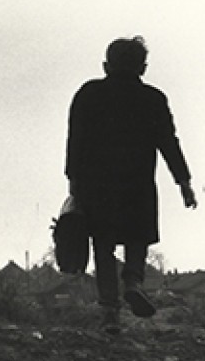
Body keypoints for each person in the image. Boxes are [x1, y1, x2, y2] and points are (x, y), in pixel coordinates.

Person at [65, 36, 198, 333]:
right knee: (137, 238)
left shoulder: (88, 94)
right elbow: (168, 143)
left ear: (106, 65)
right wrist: (184, 182)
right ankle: (133, 281)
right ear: (143, 68)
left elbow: (75, 141)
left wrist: (73, 182)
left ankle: (110, 311)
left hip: (96, 186)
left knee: (103, 245)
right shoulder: (153, 99)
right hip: (137, 183)